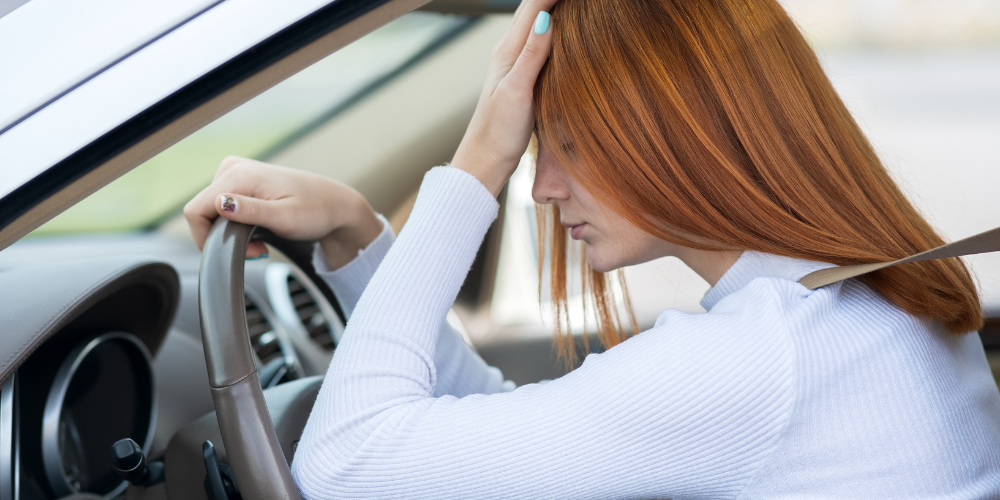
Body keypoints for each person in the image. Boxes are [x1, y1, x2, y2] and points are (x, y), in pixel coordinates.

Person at [184, 0, 1000, 497]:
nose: (539, 189)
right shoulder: (848, 308)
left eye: (565, 144)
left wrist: (477, 163)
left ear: (678, 132)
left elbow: (344, 465)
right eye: (533, 153)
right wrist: (359, 232)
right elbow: (507, 424)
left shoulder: (758, 362)